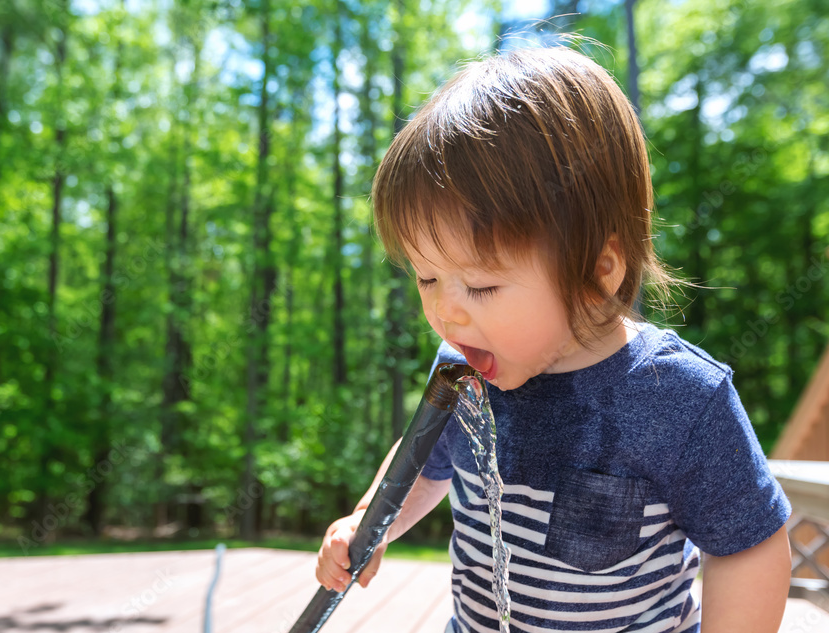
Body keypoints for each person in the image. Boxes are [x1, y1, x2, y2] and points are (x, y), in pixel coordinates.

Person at [314, 40, 793, 633]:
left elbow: (748, 546)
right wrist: (370, 517)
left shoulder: (678, 397)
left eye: (482, 286)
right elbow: (425, 465)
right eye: (427, 277)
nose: (445, 313)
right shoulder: (461, 370)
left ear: (598, 269)